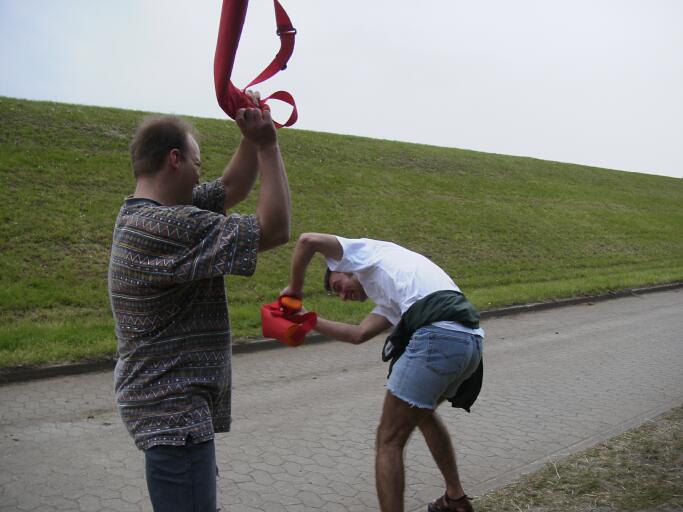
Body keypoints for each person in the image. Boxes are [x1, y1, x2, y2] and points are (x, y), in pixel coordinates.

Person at [108, 96, 290, 511]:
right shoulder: (166, 227)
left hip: (170, 414)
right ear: (175, 159)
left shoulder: (145, 214)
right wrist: (267, 146)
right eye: (197, 163)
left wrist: (249, 136)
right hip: (174, 416)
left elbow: (230, 188)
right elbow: (275, 229)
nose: (199, 174)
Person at [282, 233, 484, 512]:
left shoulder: (364, 253)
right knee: (423, 415)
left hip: (437, 334)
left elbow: (307, 241)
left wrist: (294, 289)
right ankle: (455, 499)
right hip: (470, 340)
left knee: (388, 439)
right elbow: (358, 334)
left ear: (344, 267)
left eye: (338, 286)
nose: (342, 296)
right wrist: (306, 320)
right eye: (336, 294)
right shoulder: (391, 293)